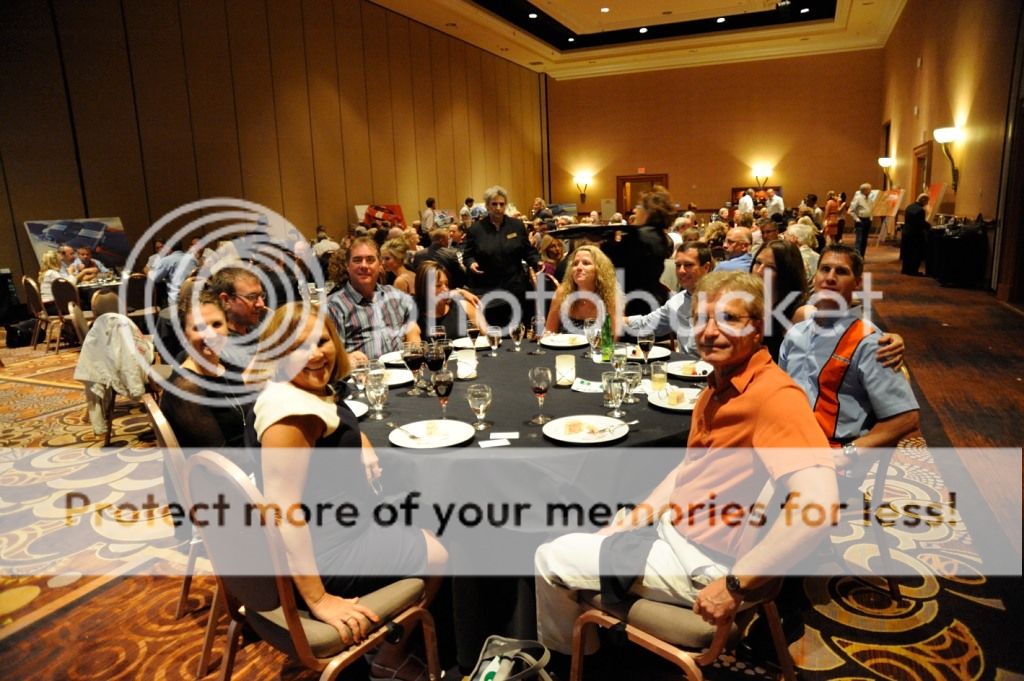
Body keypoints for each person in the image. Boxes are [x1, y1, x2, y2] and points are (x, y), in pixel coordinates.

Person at [535, 271, 838, 660]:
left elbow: (820, 505)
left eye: (729, 318)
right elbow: (687, 471)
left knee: (549, 557)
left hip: (704, 563)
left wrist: (735, 583)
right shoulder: (720, 385)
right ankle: (593, 647)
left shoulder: (774, 396)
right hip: (678, 532)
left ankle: (569, 662)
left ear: (757, 327)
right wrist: (629, 523)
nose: (710, 332)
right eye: (701, 319)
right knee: (589, 515)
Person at [247, 303, 447, 679]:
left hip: (337, 525)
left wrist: (361, 442)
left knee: (429, 507)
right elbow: (283, 510)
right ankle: (390, 655)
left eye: (321, 341)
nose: (315, 354)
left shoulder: (297, 389)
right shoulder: (291, 415)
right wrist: (319, 599)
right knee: (440, 553)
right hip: (325, 554)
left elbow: (332, 413)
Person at [780, 245, 920, 474]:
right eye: (825, 269)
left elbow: (906, 418)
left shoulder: (871, 343)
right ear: (815, 277)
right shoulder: (796, 333)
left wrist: (849, 454)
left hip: (831, 457)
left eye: (841, 271)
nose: (830, 277)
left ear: (857, 283)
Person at [325, 237, 421, 364]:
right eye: (357, 260)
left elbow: (412, 327)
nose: (364, 265)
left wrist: (413, 342)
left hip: (402, 371)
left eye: (370, 260)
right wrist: (347, 359)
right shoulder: (333, 306)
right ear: (347, 266)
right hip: (363, 374)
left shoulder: (394, 296)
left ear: (380, 265)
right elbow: (329, 355)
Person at [463, 185, 543, 327]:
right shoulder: (476, 229)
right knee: (495, 329)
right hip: (489, 289)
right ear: (487, 206)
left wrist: (537, 261)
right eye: (494, 204)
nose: (498, 208)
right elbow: (468, 255)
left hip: (516, 286)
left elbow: (527, 251)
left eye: (502, 204)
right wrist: (471, 263)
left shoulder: (517, 226)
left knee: (520, 327)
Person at [622, 242, 713, 355]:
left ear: (706, 267)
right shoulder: (676, 302)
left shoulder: (722, 300)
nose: (681, 271)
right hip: (685, 364)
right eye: (678, 265)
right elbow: (646, 324)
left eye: (688, 265)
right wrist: (617, 320)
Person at [602, 186, 674, 318]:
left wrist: (605, 242)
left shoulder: (638, 236)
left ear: (649, 211)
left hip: (634, 304)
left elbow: (611, 264)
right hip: (654, 298)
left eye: (638, 206)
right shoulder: (660, 236)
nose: (635, 210)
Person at [543, 244, 621, 336]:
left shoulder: (610, 295)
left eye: (586, 263)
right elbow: (549, 332)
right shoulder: (562, 293)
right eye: (575, 264)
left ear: (599, 269)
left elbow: (613, 338)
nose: (579, 268)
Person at [413, 261, 487, 338]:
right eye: (438, 285)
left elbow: (487, 337)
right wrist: (461, 292)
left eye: (446, 284)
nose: (445, 289)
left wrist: (460, 292)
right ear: (423, 288)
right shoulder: (414, 317)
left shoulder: (464, 306)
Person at [900, 193, 931, 275]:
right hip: (915, 234)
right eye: (927, 201)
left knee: (907, 253)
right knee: (915, 254)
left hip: (906, 232)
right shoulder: (920, 210)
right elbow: (920, 223)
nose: (927, 203)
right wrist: (929, 226)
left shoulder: (909, 206)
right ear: (923, 200)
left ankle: (905, 269)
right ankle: (913, 271)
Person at [848, 183, 874, 257]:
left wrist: (871, 218)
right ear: (865, 190)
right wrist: (857, 219)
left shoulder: (870, 199)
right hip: (860, 220)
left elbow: (871, 209)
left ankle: (862, 256)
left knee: (865, 240)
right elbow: (851, 211)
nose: (871, 191)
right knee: (859, 240)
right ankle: (857, 256)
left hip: (868, 220)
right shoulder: (858, 198)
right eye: (870, 189)